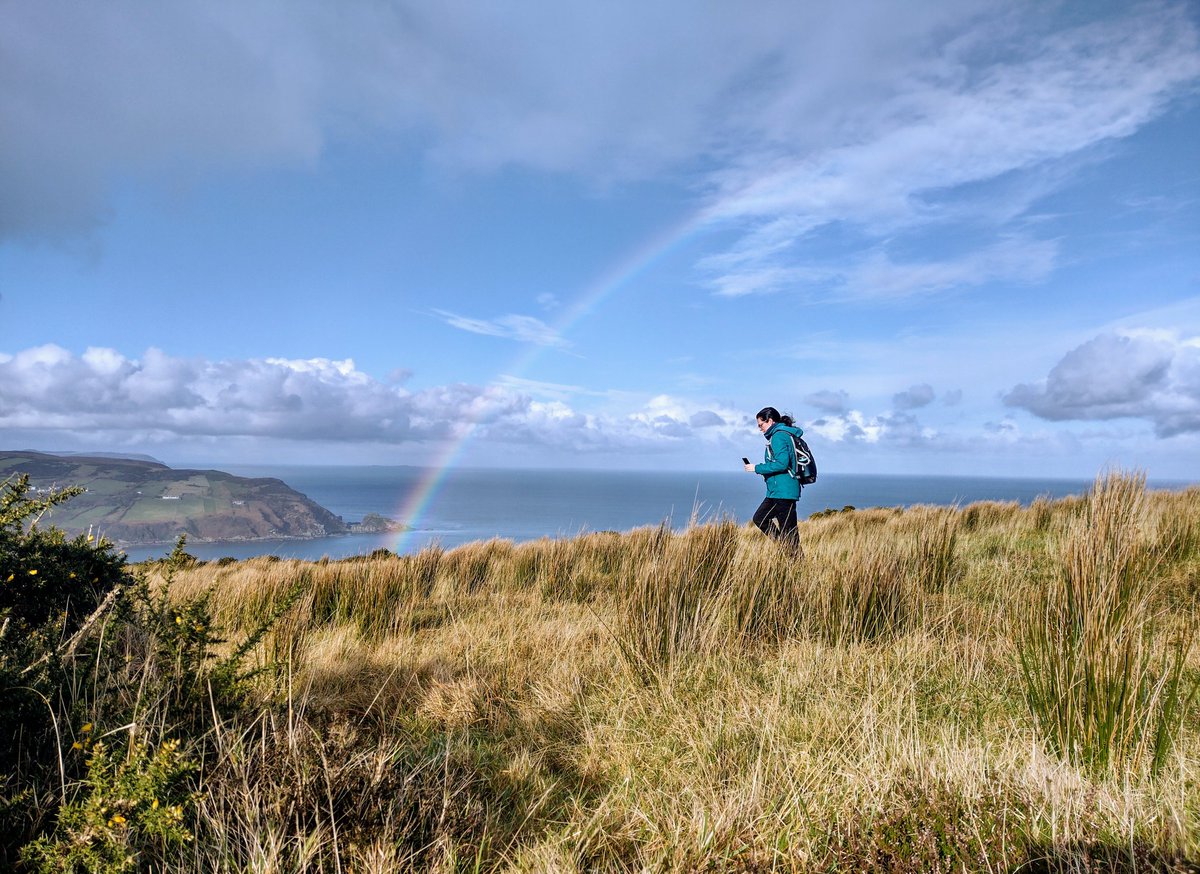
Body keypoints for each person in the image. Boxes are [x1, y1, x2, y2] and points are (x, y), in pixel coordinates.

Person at [743, 406, 803, 548]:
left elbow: (782, 464)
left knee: (789, 532)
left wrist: (756, 468)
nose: (760, 429)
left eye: (761, 425)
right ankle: (785, 550)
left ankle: (796, 563)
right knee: (761, 518)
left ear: (769, 421)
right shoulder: (781, 435)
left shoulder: (778, 436)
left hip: (783, 491)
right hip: (778, 491)